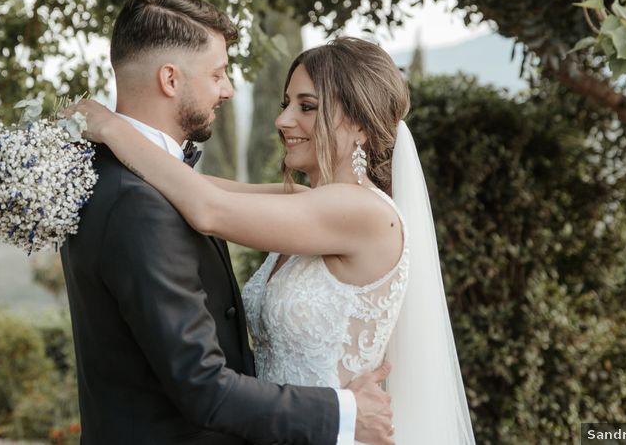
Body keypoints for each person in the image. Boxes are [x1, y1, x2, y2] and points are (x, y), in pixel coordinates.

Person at [69, 33, 477, 444]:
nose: (283, 120)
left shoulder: (364, 214)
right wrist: (90, 165)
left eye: (307, 107)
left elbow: (208, 208)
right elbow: (185, 183)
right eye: (286, 104)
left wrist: (111, 126)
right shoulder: (306, 205)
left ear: (359, 124)